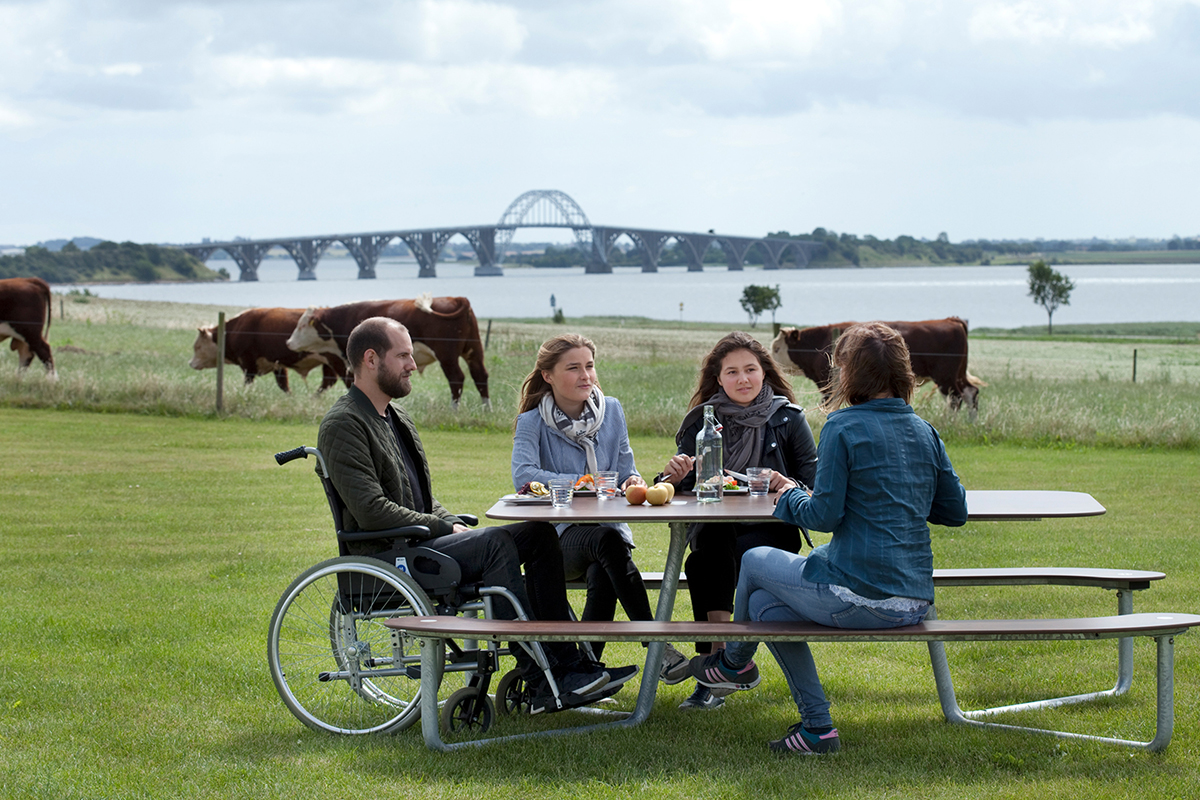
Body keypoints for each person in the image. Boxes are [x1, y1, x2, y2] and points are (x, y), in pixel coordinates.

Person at [317, 316, 632, 715]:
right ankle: (545, 674)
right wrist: (441, 525)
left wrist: (451, 521)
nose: (414, 364)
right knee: (497, 542)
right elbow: (370, 511)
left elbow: (421, 501)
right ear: (371, 359)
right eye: (404, 356)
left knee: (537, 533)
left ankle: (573, 665)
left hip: (419, 540)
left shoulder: (396, 419)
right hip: (387, 553)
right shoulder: (344, 423)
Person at [687, 321, 969, 754]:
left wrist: (788, 493)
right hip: (914, 599)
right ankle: (817, 729)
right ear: (903, 372)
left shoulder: (844, 426)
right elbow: (955, 510)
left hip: (859, 594)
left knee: (753, 560)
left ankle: (734, 664)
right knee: (763, 606)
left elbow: (823, 514)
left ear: (848, 372)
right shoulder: (924, 430)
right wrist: (904, 491)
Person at [512, 333, 690, 685]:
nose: (586, 376)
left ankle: (587, 674)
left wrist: (633, 483)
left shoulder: (612, 411)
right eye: (573, 368)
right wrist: (584, 481)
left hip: (608, 533)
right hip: (558, 541)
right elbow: (524, 474)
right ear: (547, 375)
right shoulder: (532, 422)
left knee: (604, 570)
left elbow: (626, 470)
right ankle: (658, 646)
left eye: (590, 366)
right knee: (606, 543)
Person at [658, 331, 818, 710]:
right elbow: (675, 488)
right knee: (707, 553)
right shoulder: (701, 421)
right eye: (732, 372)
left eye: (750, 369)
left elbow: (815, 486)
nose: (743, 379)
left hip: (771, 531)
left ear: (764, 372)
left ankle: (719, 669)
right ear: (718, 378)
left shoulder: (788, 419)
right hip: (716, 530)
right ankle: (722, 663)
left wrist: (788, 483)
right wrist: (673, 476)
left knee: (722, 556)